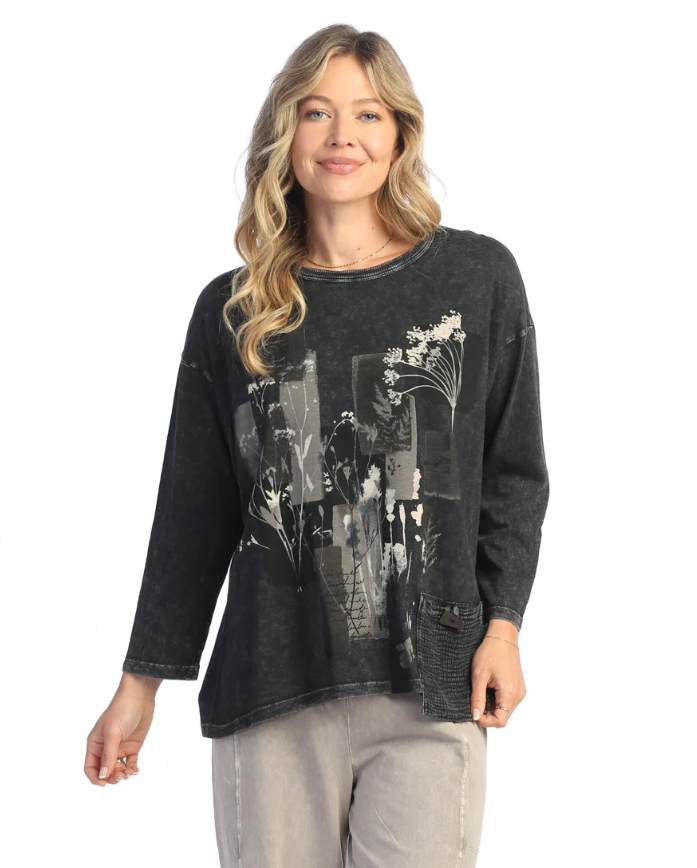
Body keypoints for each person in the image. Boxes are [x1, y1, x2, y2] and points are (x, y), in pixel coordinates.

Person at [84, 24, 550, 868]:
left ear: (399, 134)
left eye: (368, 114)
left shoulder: (474, 278)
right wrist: (138, 683)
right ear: (285, 132)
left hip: (430, 683)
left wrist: (503, 629)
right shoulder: (233, 310)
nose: (343, 136)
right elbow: (193, 513)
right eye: (316, 112)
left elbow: (513, 475)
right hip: (270, 687)